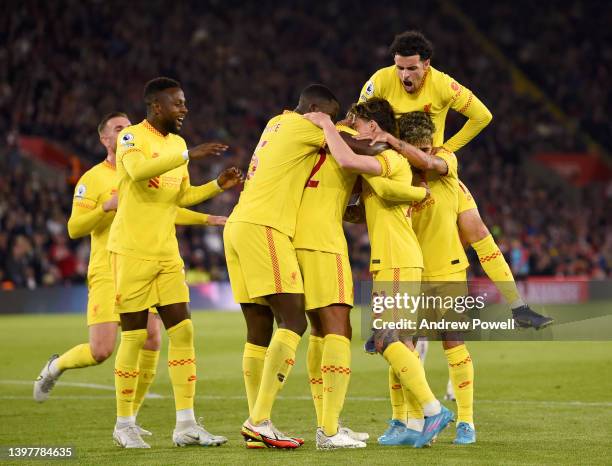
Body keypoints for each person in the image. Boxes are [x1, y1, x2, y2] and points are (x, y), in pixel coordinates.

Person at [33, 112, 227, 437]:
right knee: (101, 350)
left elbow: (169, 207)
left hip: (144, 261)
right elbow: (74, 228)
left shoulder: (145, 165)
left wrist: (208, 219)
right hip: (108, 268)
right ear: (105, 139)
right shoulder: (93, 179)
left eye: (128, 127)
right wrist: (104, 207)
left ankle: (130, 422)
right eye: (119, 129)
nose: (127, 132)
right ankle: (56, 366)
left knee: (152, 339)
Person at [359, 30, 552, 330]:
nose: (404, 75)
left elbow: (482, 116)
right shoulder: (381, 80)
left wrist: (447, 148)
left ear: (427, 64)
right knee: (396, 250)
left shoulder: (443, 84)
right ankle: (386, 326)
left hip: (436, 172)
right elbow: (360, 118)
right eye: (399, 67)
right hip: (399, 174)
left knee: (478, 230)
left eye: (411, 68)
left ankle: (519, 308)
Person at [305, 98, 454, 449]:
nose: (354, 130)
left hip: (398, 261)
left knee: (388, 340)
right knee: (396, 342)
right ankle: (414, 422)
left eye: (358, 125)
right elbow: (368, 205)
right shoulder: (383, 164)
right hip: (392, 261)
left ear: (373, 127)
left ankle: (433, 411)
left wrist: (327, 125)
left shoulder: (389, 158)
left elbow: (363, 171)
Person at [108, 77, 242, 449]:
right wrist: (188, 156)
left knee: (182, 331)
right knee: (134, 336)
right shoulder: (131, 137)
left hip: (167, 254)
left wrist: (216, 186)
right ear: (156, 106)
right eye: (178, 104)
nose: (184, 109)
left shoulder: (178, 144)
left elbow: (179, 197)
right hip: (132, 251)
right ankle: (124, 424)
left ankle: (185, 424)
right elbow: (136, 173)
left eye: (184, 103)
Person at [225, 84, 340, 449]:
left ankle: (259, 426)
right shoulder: (305, 125)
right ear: (316, 109)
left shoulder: (276, 122)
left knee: (258, 329)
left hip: (238, 223)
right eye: (328, 116)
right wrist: (338, 127)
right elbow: (355, 149)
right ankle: (258, 420)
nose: (329, 124)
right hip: (265, 226)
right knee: (294, 320)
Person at [367, 111, 477, 444]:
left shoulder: (446, 163)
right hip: (408, 269)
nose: (424, 155)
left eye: (427, 147)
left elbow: (474, 228)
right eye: (419, 149)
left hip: (447, 269)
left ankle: (466, 423)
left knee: (453, 341)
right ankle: (411, 423)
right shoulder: (399, 175)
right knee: (402, 344)